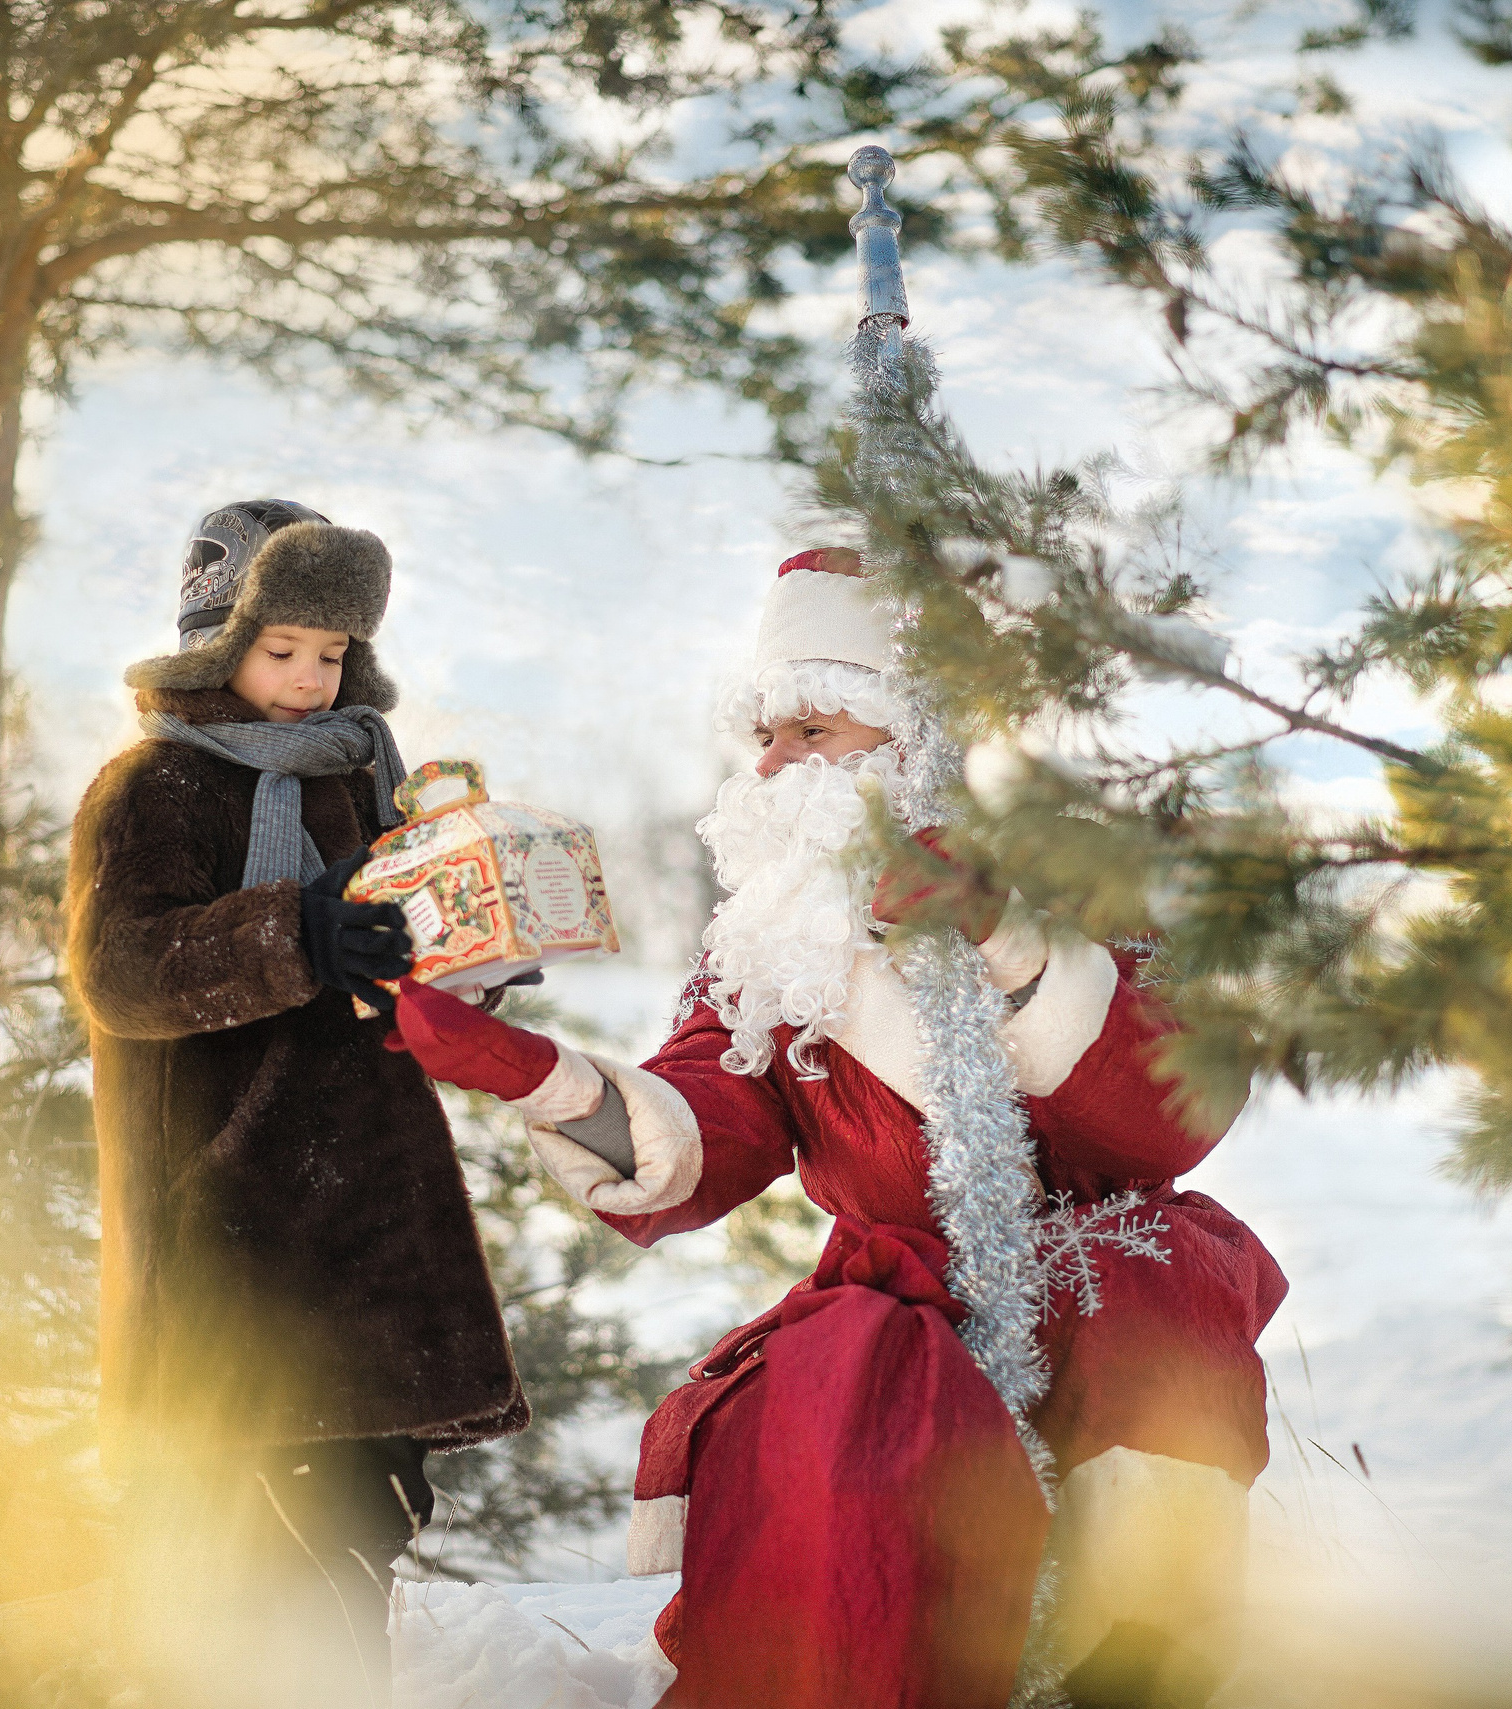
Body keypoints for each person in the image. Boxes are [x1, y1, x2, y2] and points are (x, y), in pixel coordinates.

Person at [384, 547, 1287, 1709]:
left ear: (916, 737)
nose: (768, 763)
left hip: (1105, 1262)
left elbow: (1171, 1114)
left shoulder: (1087, 873)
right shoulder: (768, 932)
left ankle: (1135, 1664)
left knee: (1135, 1332)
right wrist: (550, 1082)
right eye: (764, 733)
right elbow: (710, 1121)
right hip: (899, 1278)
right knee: (832, 1382)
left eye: (809, 731)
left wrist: (1005, 939)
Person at [67, 499, 527, 1706]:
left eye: (333, 653)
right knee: (242, 1555)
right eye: (283, 650)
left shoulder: (363, 777)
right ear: (216, 640)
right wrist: (294, 930)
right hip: (226, 1216)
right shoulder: (154, 785)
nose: (310, 679)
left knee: (344, 1546)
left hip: (364, 1217)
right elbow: (119, 972)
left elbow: (388, 957)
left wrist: (462, 931)